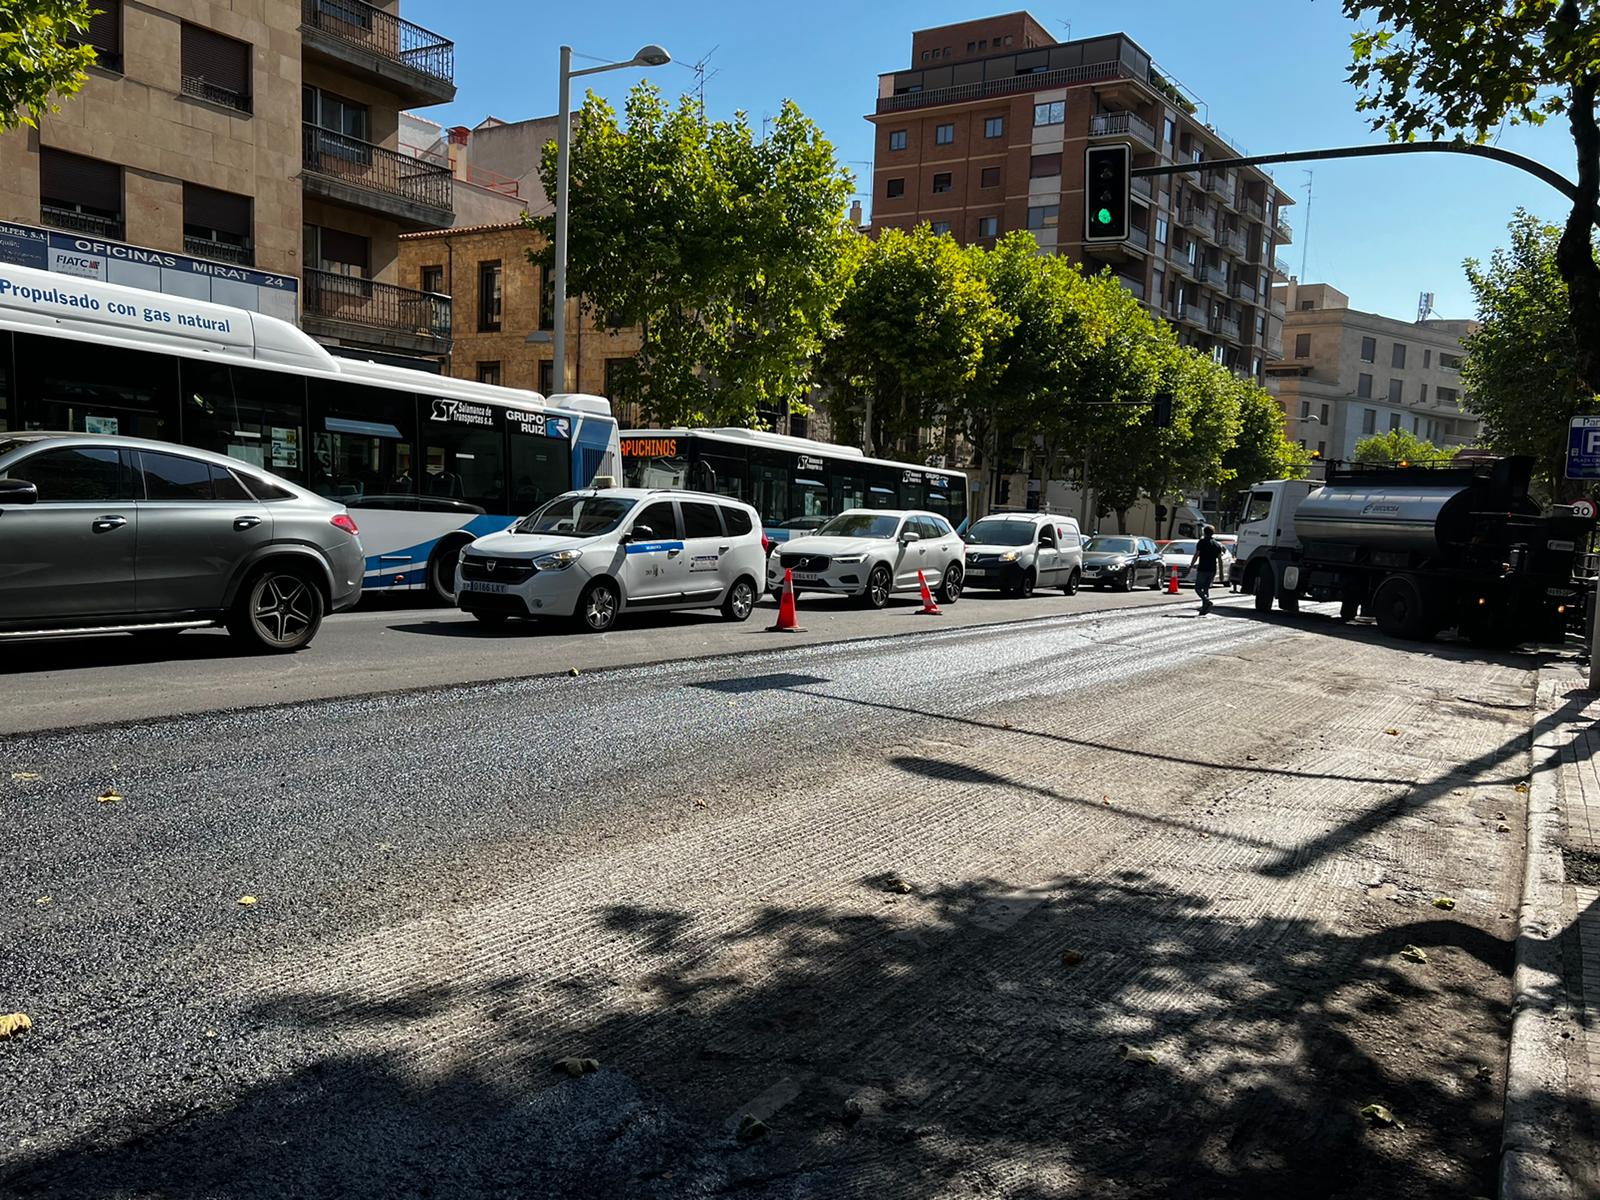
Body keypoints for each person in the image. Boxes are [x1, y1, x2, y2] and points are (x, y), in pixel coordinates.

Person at [1190, 526, 1224, 614]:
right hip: (1212, 569)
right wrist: (1221, 573)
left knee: (1197, 588)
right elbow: (1220, 559)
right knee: (1206, 588)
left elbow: (1197, 554)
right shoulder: (1217, 544)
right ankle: (1205, 607)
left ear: (1204, 532)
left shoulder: (1202, 542)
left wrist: (1192, 564)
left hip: (1203, 568)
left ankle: (1206, 601)